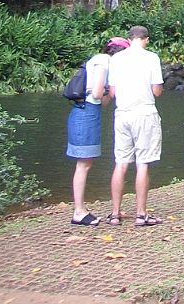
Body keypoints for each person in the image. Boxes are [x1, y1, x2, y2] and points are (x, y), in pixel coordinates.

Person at [66, 36, 130, 226]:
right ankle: (78, 212)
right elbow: (96, 94)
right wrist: (107, 89)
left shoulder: (105, 63)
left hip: (90, 113)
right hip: (84, 114)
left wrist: (109, 89)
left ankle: (81, 209)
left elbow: (102, 101)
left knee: (86, 163)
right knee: (83, 164)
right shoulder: (103, 61)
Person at [106, 25, 164, 227]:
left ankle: (115, 214)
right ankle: (140, 215)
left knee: (120, 164)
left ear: (129, 40)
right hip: (144, 114)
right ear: (146, 39)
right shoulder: (152, 58)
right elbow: (156, 91)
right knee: (142, 164)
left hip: (122, 114)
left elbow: (112, 93)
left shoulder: (116, 59)